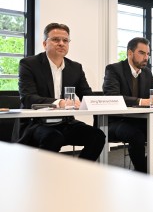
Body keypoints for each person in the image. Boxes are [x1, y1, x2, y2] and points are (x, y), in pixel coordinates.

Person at [13, 23, 105, 161]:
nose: (61, 43)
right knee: (53, 137)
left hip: (65, 122)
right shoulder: (29, 64)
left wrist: (102, 102)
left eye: (65, 40)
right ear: (45, 43)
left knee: (97, 136)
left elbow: (87, 95)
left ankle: (79, 174)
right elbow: (28, 98)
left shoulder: (75, 68)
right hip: (37, 123)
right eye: (56, 39)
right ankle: (44, 178)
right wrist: (59, 103)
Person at [102, 37, 153, 173]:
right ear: (130, 53)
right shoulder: (114, 69)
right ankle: (144, 171)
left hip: (140, 119)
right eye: (142, 53)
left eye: (148, 54)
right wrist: (141, 101)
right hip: (117, 120)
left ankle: (143, 170)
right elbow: (112, 97)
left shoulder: (146, 73)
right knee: (136, 135)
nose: (146, 57)